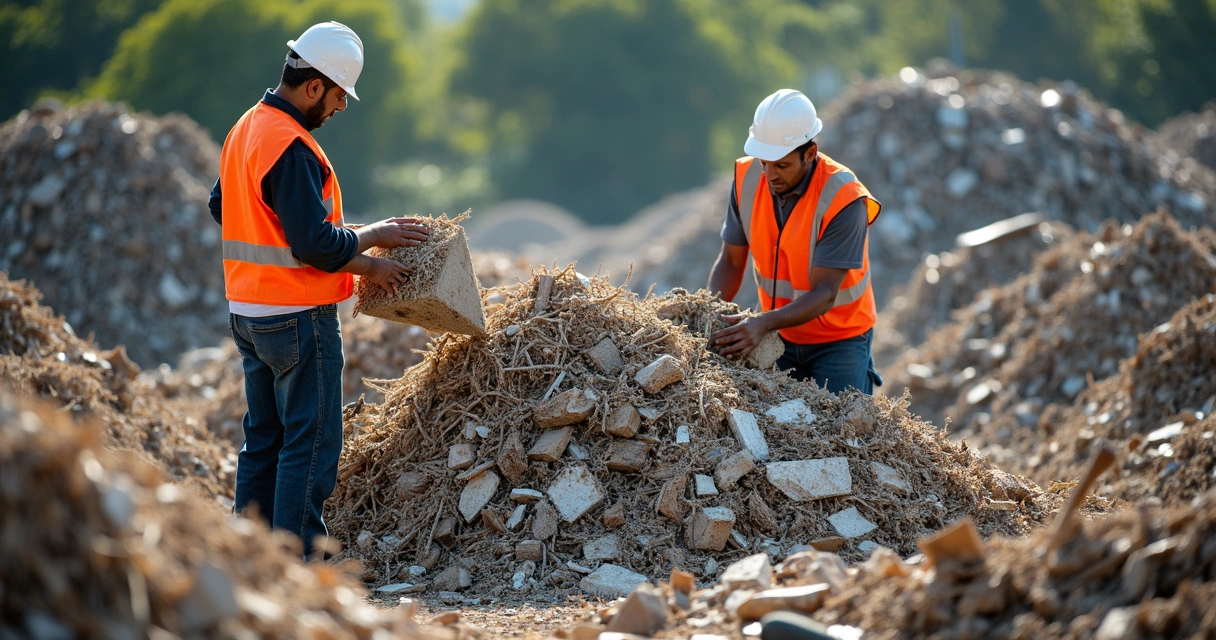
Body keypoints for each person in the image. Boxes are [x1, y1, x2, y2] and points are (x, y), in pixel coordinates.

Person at [207, 21, 428, 557]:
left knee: (264, 440)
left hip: (248, 313)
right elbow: (314, 243)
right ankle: (298, 564)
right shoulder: (292, 145)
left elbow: (221, 205)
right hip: (298, 315)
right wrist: (372, 254)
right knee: (309, 444)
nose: (341, 108)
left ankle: (251, 555)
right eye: (337, 96)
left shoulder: (248, 127)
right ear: (314, 87)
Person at [709, 89, 883, 395]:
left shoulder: (844, 199)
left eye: (781, 165)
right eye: (764, 162)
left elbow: (826, 293)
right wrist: (708, 314)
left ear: (810, 153)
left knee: (839, 438)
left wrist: (761, 324)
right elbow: (731, 261)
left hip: (840, 342)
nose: (769, 174)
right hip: (779, 337)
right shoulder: (747, 180)